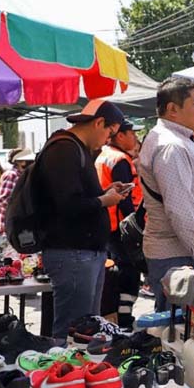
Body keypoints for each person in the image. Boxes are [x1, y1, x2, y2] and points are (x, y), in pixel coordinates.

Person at [34, 99, 127, 340]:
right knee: (72, 330)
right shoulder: (64, 149)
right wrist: (105, 201)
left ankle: (76, 374)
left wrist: (105, 192)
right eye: (110, 132)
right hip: (72, 252)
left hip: (83, 252)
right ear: (99, 122)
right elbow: (67, 204)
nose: (108, 140)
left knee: (85, 330)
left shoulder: (75, 148)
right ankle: (63, 375)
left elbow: (74, 198)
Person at [138, 77, 194, 312]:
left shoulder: (176, 140)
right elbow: (180, 208)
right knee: (187, 338)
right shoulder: (171, 146)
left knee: (186, 333)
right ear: (173, 110)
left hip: (184, 257)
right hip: (181, 259)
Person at [95, 120, 144, 329]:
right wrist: (134, 227)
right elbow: (124, 196)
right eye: (132, 133)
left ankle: (112, 316)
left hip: (105, 225)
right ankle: (124, 320)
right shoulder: (120, 159)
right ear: (120, 135)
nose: (134, 138)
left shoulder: (102, 155)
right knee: (129, 273)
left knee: (113, 274)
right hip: (120, 228)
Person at [0, 148, 34, 236]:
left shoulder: (23, 175)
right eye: (27, 161)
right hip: (9, 225)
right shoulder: (12, 175)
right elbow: (4, 200)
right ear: (18, 162)